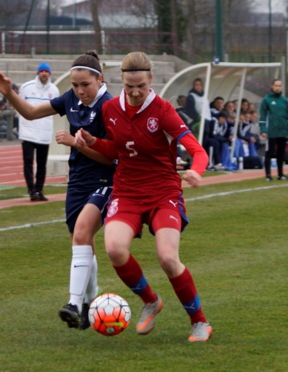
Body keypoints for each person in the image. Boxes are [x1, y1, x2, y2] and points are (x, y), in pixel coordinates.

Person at [75, 51, 212, 342]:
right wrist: (93, 141)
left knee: (167, 258)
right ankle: (150, 300)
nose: (135, 92)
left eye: (141, 85)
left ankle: (199, 322)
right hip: (126, 191)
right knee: (114, 248)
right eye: (129, 86)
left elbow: (198, 151)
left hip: (163, 191)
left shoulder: (163, 111)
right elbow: (117, 150)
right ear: (121, 82)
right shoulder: (110, 108)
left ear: (150, 80)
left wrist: (197, 171)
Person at [0, 51, 115, 331]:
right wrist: (10, 93)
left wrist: (78, 144)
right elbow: (31, 113)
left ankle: (73, 303)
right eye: (75, 85)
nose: (79, 91)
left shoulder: (110, 106)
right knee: (81, 239)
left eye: (85, 84)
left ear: (100, 79)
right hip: (78, 180)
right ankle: (90, 303)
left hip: (106, 179)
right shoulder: (70, 99)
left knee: (83, 233)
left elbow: (111, 158)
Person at [18, 62, 60, 201]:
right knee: (28, 162)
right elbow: (19, 105)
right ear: (38, 73)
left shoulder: (54, 90)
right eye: (41, 71)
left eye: (46, 71)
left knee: (42, 164)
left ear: (49, 74)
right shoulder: (26, 87)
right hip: (28, 132)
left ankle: (39, 190)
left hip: (44, 133)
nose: (44, 74)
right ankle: (31, 190)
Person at [259, 79, 288, 181]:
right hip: (271, 131)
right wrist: (263, 130)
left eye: (279, 86)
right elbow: (263, 116)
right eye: (276, 85)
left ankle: (280, 174)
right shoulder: (266, 100)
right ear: (272, 86)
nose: (278, 88)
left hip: (281, 131)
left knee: (281, 153)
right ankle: (268, 175)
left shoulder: (284, 100)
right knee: (269, 152)